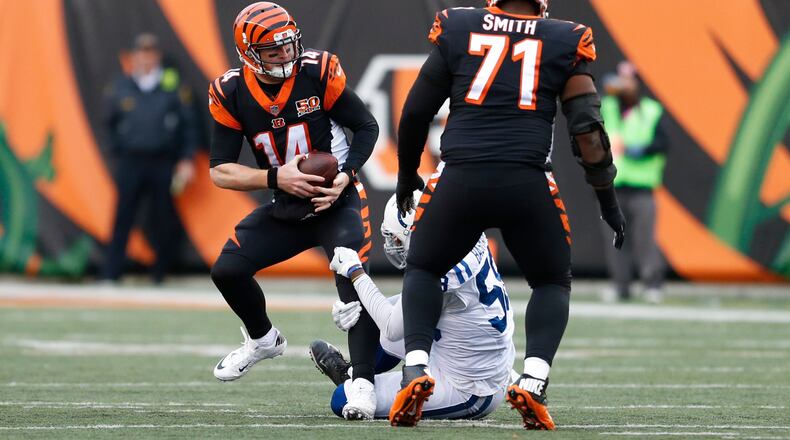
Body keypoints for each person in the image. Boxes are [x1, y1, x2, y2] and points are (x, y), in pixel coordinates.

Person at [389, 0, 625, 429]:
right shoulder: (565, 38)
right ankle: (532, 380)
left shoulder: (459, 25)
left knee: (424, 268)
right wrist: (607, 201)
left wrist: (407, 175)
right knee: (552, 281)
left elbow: (416, 111)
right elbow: (587, 131)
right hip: (526, 180)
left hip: (460, 176)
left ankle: (416, 368)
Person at [206, 2, 380, 420]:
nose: (285, 54)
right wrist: (275, 179)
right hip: (286, 204)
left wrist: (346, 173)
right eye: (273, 50)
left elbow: (367, 126)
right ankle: (263, 339)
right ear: (248, 52)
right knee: (227, 270)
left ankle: (363, 385)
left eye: (288, 45)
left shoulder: (317, 72)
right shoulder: (231, 91)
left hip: (334, 200)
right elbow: (220, 171)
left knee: (352, 290)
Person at [309, 190, 515, 421]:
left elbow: (391, 325)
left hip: (470, 388)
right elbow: (411, 307)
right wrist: (358, 308)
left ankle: (350, 378)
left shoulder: (443, 267)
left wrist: (356, 273)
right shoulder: (464, 234)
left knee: (342, 398)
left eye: (397, 238)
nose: (393, 244)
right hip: (472, 348)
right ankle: (356, 373)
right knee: (383, 320)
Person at [101, 33, 198, 284]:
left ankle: (160, 272)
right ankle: (112, 271)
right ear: (133, 57)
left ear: (157, 57)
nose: (145, 59)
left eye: (150, 53)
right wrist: (117, 149)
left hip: (162, 159)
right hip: (131, 160)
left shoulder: (171, 84)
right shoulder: (122, 85)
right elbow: (109, 123)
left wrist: (186, 158)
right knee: (123, 215)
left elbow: (189, 125)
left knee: (162, 217)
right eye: (141, 54)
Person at [600, 61, 668, 303]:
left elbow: (663, 143)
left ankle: (652, 283)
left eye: (629, 81)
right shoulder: (607, 106)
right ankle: (621, 285)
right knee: (615, 239)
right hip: (613, 187)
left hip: (642, 187)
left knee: (644, 238)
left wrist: (638, 149)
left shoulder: (651, 110)